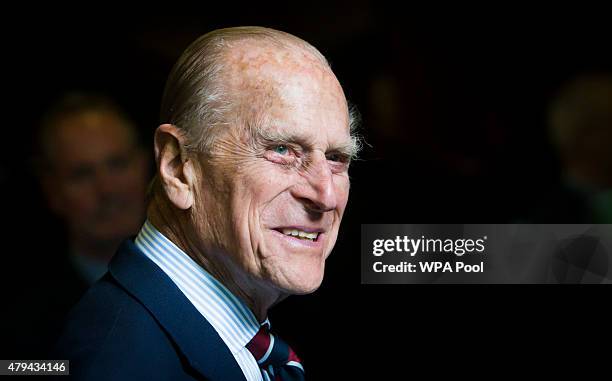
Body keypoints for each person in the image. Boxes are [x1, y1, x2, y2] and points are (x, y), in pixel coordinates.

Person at [55, 26, 360, 381]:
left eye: (337, 157)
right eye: (282, 150)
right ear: (178, 168)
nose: (326, 195)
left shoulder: (242, 330)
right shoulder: (114, 363)